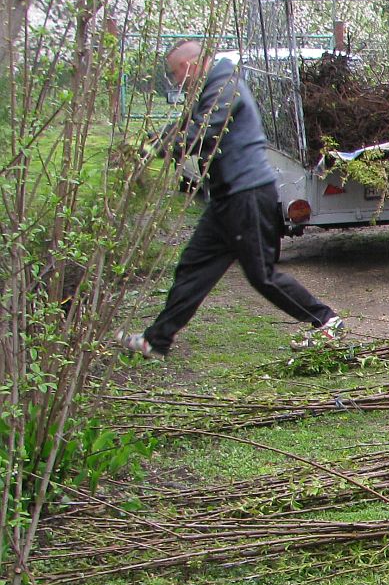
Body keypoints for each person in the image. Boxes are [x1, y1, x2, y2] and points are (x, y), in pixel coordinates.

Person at [116, 42, 341, 359]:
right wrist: (150, 142)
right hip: (226, 196)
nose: (175, 81)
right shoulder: (213, 86)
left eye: (175, 73)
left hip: (247, 194)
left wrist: (158, 150)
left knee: (261, 275)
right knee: (193, 266)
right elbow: (186, 126)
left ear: (190, 66)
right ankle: (157, 341)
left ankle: (326, 320)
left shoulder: (225, 85)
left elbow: (203, 132)